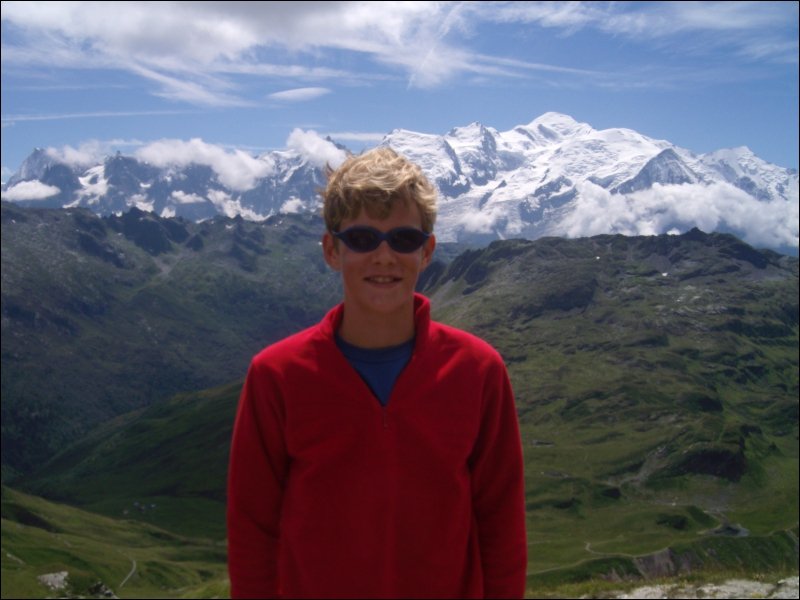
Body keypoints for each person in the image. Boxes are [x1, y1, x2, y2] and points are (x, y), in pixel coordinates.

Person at [226, 147, 527, 599]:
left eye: (403, 239)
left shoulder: (478, 370)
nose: (384, 256)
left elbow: (501, 522)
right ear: (332, 250)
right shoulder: (276, 376)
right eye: (363, 238)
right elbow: (252, 527)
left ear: (426, 251)